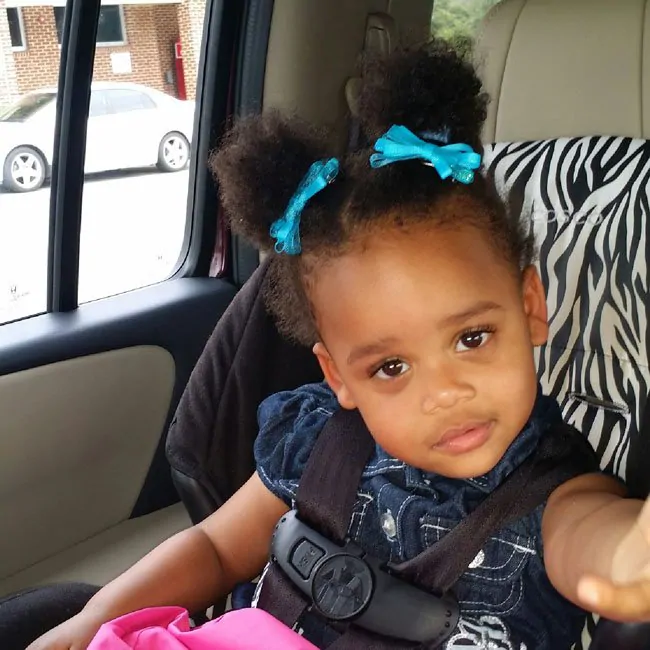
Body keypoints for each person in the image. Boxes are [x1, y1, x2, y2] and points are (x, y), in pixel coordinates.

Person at [21, 40, 650, 650]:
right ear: (338, 375)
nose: (444, 392)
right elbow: (214, 548)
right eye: (392, 366)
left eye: (471, 337)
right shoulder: (317, 440)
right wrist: (95, 619)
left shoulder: (559, 498)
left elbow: (617, 563)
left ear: (531, 307)